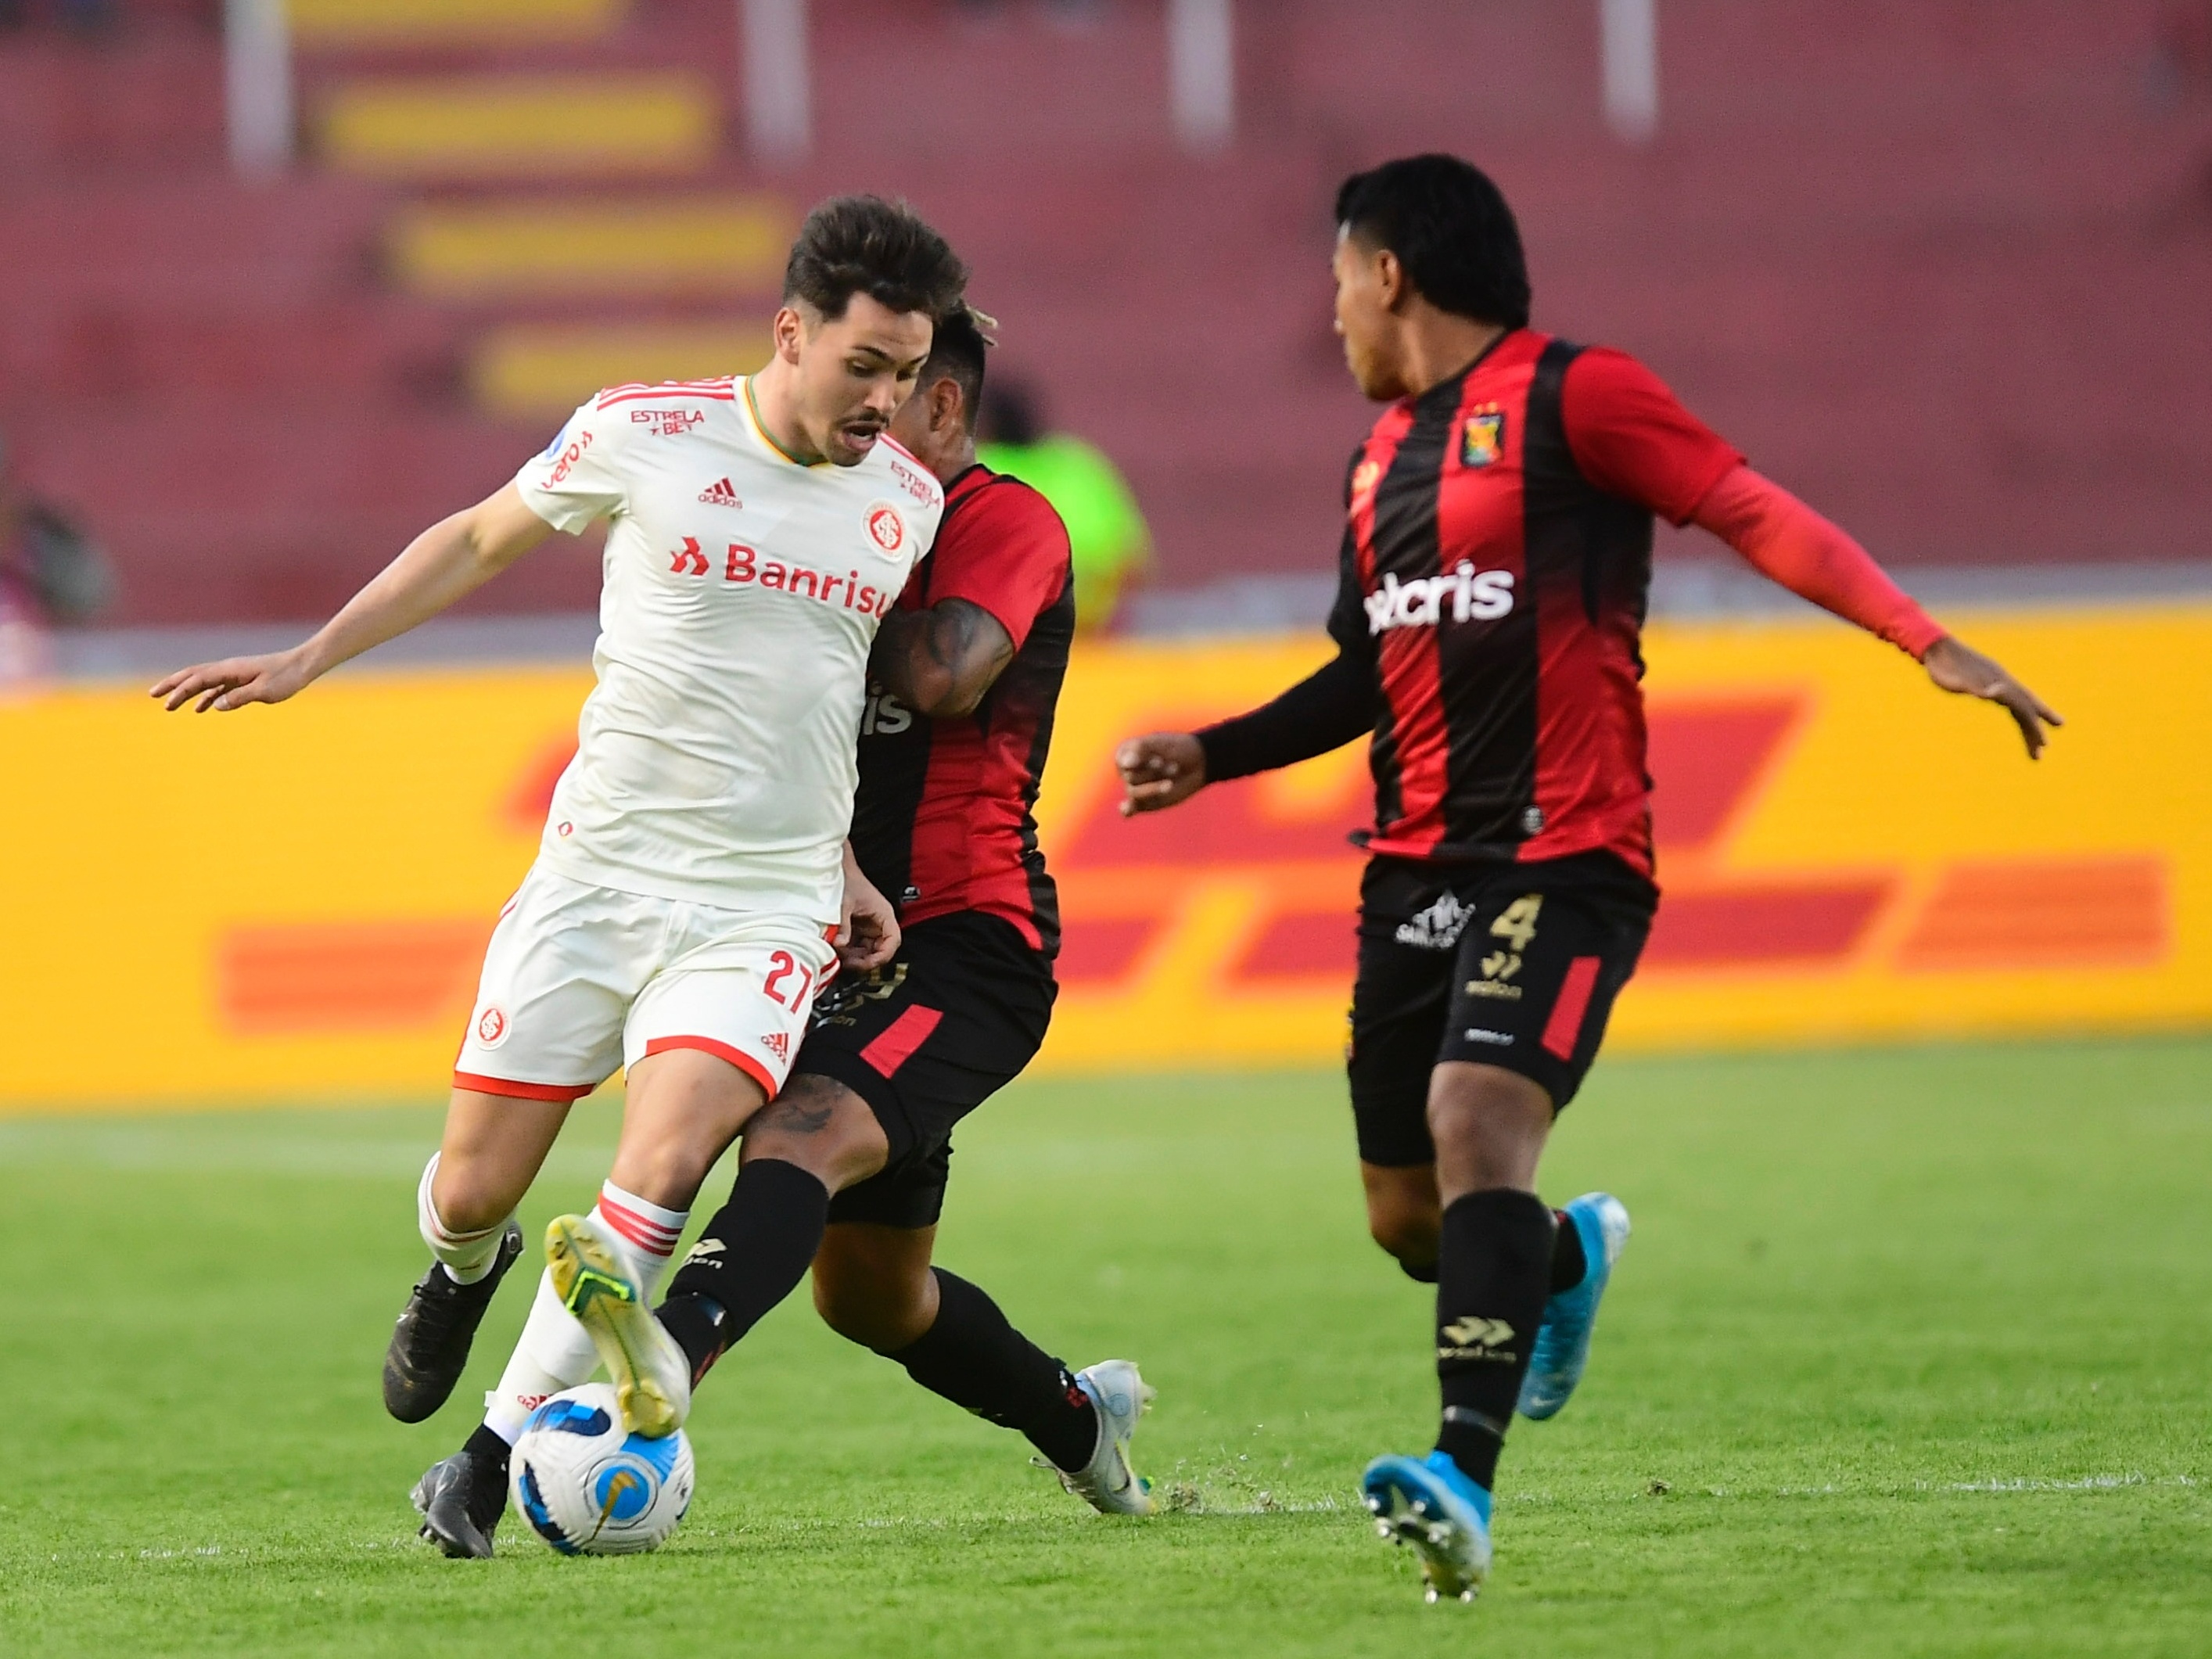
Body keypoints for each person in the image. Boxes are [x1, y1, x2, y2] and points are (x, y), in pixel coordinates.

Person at [1112, 154, 2060, 1603]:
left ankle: (1456, 1480)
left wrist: (1914, 635)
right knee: (1405, 1216)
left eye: (1334, 287)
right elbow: (1373, 666)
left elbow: (1746, 507)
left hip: (1568, 855)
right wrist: (1214, 752)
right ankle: (1560, 1261)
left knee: (1473, 1115)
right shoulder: (1376, 464)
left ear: (1387, 273)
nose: (1330, 324)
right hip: (1412, 869)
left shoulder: (1577, 395)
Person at [153, 195, 970, 1553]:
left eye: (908, 373)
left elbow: (807, 699)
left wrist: (832, 865)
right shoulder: (642, 432)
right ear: (789, 334)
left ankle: (491, 1453)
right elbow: (476, 539)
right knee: (476, 1189)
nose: (886, 401)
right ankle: (457, 1270)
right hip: (598, 881)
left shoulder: (903, 503)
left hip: (759, 907)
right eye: (864, 367)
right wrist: (306, 659)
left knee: (663, 1158)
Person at [413, 306, 1154, 1556]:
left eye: (898, 389)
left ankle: (608, 1396)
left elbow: (944, 675)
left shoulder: (1005, 517)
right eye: (856, 379)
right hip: (808, 921)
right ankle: (1084, 1424)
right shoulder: (811, 503)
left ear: (949, 409)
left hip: (966, 940)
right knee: (871, 1295)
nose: (863, 414)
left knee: (790, 1144)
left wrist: (790, 599)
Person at [976, 379, 1150, 631]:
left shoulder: (981, 465)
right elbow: (1133, 563)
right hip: (1089, 624)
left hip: (1011, 633)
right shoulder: (1080, 462)